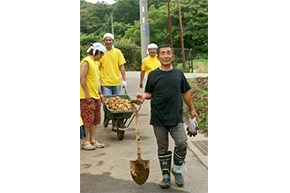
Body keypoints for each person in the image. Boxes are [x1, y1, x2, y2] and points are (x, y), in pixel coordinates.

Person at [135, 44, 198, 189]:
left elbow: (186, 93)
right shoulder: (153, 75)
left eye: (168, 53)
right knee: (162, 148)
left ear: (173, 56)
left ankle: (176, 169)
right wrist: (144, 96)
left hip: (176, 117)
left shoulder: (178, 73)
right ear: (158, 57)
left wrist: (192, 109)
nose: (166, 56)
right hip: (158, 117)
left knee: (182, 144)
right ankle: (165, 175)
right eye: (162, 53)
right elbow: (149, 92)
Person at [80, 42, 106, 150]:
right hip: (87, 97)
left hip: (95, 96)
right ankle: (85, 142)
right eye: (102, 54)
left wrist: (100, 93)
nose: (101, 57)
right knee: (87, 120)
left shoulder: (95, 62)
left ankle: (93, 140)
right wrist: (87, 93)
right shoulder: (86, 62)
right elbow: (81, 78)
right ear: (98, 52)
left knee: (95, 119)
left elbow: (95, 80)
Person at [98, 33, 127, 130]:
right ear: (104, 41)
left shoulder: (117, 52)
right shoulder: (101, 53)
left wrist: (124, 80)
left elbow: (121, 66)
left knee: (117, 105)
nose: (108, 42)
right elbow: (96, 67)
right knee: (107, 104)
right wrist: (97, 81)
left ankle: (115, 123)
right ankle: (107, 117)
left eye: (110, 40)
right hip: (105, 82)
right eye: (106, 40)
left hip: (116, 82)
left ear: (113, 41)